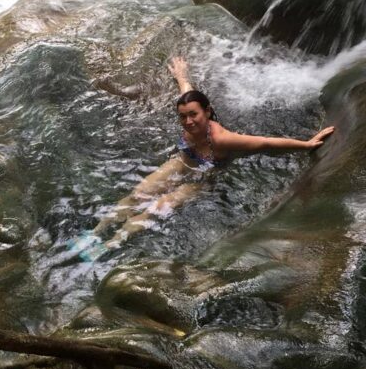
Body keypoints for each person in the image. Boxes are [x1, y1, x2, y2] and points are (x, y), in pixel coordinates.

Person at [70, 56, 335, 261]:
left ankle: (108, 246)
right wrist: (182, 76)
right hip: (183, 161)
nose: (188, 121)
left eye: (194, 115)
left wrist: (307, 144)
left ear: (207, 112)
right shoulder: (189, 112)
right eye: (183, 116)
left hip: (202, 178)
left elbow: (265, 143)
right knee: (137, 195)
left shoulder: (222, 139)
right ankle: (92, 236)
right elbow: (188, 91)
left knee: (157, 207)